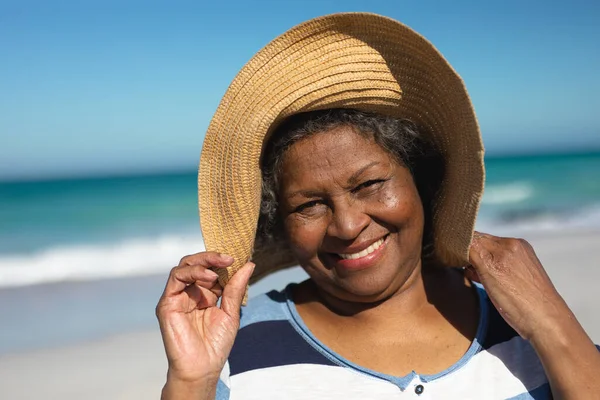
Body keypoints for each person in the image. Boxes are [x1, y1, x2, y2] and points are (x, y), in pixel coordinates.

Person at [156, 13, 600, 399]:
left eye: (369, 184)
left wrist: (552, 324)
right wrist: (192, 382)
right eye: (309, 205)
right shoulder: (238, 349)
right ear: (279, 222)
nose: (347, 226)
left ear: (422, 180)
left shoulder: (524, 321)